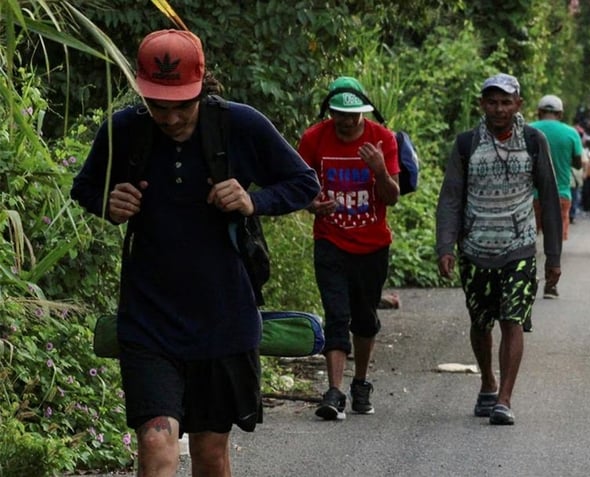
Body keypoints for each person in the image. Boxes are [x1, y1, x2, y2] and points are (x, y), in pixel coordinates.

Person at [70, 29, 320, 475]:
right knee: (155, 440)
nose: (168, 118)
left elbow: (304, 183)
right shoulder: (125, 129)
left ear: (202, 87)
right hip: (149, 318)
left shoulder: (240, 125)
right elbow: (85, 187)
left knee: (209, 452)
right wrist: (108, 203)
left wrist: (252, 200)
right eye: (156, 105)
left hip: (223, 318)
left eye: (180, 105)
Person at [435, 73, 562, 425]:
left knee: (512, 319)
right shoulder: (466, 144)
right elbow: (450, 198)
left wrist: (553, 256)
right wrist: (445, 245)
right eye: (492, 102)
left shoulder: (534, 142)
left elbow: (549, 199)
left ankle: (504, 399)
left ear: (518, 104)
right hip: (475, 249)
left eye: (506, 102)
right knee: (480, 322)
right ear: (482, 105)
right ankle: (488, 382)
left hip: (518, 247)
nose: (499, 109)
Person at [298, 76, 400, 421]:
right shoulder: (314, 139)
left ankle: (360, 383)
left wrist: (380, 171)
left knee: (365, 318)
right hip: (330, 241)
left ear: (363, 113)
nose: (346, 121)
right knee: (337, 315)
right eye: (340, 114)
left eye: (353, 115)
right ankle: (334, 391)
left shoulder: (382, 139)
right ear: (331, 112)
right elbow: (301, 187)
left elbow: (393, 197)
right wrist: (313, 204)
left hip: (373, 245)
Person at [529, 94, 582, 300]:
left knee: (527, 240)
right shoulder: (571, 133)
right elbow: (578, 163)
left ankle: (527, 279)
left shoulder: (528, 130)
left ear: (538, 111)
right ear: (560, 114)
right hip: (560, 193)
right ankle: (550, 285)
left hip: (531, 195)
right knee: (554, 242)